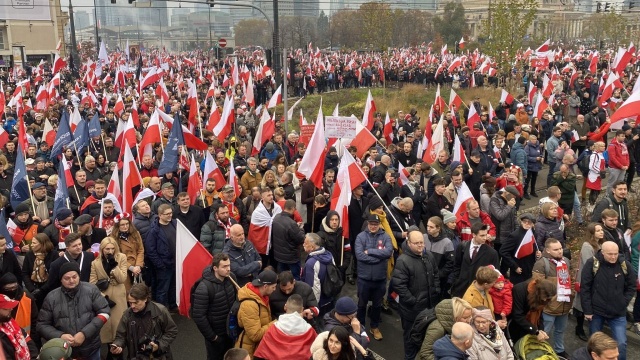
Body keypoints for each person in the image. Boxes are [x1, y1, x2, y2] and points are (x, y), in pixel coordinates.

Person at [37, 262, 110, 360]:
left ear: (79, 276)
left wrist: (84, 333)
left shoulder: (91, 290)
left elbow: (104, 313)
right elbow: (42, 325)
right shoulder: (51, 297)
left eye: (74, 277)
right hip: (64, 352)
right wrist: (60, 335)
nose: (71, 281)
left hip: (91, 348)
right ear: (61, 280)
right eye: (66, 278)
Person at [580, 241, 636, 360]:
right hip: (596, 312)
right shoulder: (592, 263)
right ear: (602, 252)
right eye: (610, 254)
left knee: (621, 343)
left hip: (617, 312)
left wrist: (623, 302)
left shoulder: (624, 264)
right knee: (595, 344)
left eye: (616, 254)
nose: (613, 257)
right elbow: (585, 288)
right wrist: (587, 310)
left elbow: (632, 286)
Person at [392, 229, 440, 360]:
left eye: (422, 242)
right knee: (410, 339)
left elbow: (435, 273)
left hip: (429, 307)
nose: (420, 245)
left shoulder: (428, 256)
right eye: (417, 243)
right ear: (409, 243)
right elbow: (399, 285)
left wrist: (436, 290)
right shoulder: (403, 261)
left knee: (425, 337)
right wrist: (413, 301)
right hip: (412, 311)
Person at [110, 284, 178, 360]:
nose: (132, 306)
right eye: (130, 303)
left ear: (145, 299)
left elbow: (172, 331)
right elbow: (121, 336)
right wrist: (117, 345)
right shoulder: (127, 314)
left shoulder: (160, 311)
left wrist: (159, 345)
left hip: (158, 356)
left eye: (136, 303)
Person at [531, 238, 573, 359]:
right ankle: (540, 351)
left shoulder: (566, 261)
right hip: (549, 307)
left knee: (561, 331)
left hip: (564, 305)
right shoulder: (541, 264)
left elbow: (569, 280)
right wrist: (546, 303)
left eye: (560, 248)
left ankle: (559, 350)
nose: (560, 251)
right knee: (545, 333)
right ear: (548, 250)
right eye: (556, 249)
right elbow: (537, 287)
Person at [354, 214, 393, 341]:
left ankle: (374, 326)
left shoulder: (386, 236)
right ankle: (360, 327)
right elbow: (359, 255)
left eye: (375, 224)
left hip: (380, 279)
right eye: (371, 224)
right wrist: (379, 259)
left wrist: (370, 251)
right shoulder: (360, 237)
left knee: (377, 305)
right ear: (368, 224)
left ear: (379, 225)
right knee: (361, 304)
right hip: (364, 278)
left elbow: (388, 252)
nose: (373, 226)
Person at [191, 253, 238, 360]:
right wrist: (213, 337)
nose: (228, 269)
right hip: (217, 335)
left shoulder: (231, 278)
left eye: (229, 265)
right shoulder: (204, 288)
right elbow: (199, 316)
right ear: (215, 268)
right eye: (224, 267)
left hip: (231, 331)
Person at [88, 237, 128, 357]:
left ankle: (119, 350)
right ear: (102, 249)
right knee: (106, 327)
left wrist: (114, 266)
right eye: (107, 249)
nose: (110, 251)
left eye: (112, 248)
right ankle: (110, 351)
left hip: (119, 297)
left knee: (118, 325)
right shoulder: (95, 263)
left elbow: (122, 279)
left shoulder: (121, 258)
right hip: (104, 298)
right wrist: (103, 297)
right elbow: (92, 283)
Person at [253, 294, 317, 359]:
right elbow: (319, 345)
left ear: (285, 307)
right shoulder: (309, 330)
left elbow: (262, 353)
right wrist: (311, 321)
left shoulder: (273, 328)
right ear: (302, 309)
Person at [36, 233, 93, 302]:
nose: (79, 247)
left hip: (87, 297)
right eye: (74, 246)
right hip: (65, 299)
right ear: (67, 248)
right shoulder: (56, 264)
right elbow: (52, 286)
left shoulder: (90, 257)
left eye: (80, 244)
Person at [235, 269, 277, 357]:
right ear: (265, 286)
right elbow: (255, 335)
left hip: (258, 346)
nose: (275, 289)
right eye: (273, 287)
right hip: (249, 350)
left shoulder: (262, 297)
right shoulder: (250, 305)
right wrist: (275, 323)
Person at [450, 223, 500, 298]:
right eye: (482, 235)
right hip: (461, 289)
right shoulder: (462, 246)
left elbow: (495, 274)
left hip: (479, 291)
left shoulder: (492, 253)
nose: (485, 238)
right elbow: (457, 265)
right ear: (474, 235)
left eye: (486, 235)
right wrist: (457, 281)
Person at [144, 204, 177, 309]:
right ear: (160, 215)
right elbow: (150, 250)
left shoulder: (175, 223)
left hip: (175, 263)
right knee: (162, 289)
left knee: (173, 287)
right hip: (164, 266)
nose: (169, 215)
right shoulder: (154, 231)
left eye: (170, 213)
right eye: (167, 214)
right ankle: (161, 310)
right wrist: (160, 265)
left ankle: (172, 305)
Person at [509, 277, 555, 345]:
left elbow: (540, 315)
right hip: (516, 328)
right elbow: (517, 315)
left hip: (529, 327)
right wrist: (535, 331)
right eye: (545, 297)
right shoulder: (520, 290)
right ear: (539, 291)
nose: (545, 300)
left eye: (548, 298)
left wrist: (541, 330)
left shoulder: (541, 296)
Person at [499, 213, 541, 285]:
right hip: (519, 269)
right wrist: (514, 266)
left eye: (529, 222)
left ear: (533, 224)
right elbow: (503, 251)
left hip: (531, 267)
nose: (527, 223)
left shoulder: (533, 233)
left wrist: (538, 253)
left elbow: (535, 247)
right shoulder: (515, 235)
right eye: (524, 221)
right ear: (521, 222)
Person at [302, 233, 335, 315]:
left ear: (312, 247)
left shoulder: (311, 264)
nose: (303, 244)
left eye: (305, 243)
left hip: (319, 303)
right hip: (330, 297)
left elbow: (313, 287)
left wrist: (313, 308)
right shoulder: (329, 255)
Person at [110, 213, 144, 292]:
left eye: (127, 224)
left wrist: (138, 266)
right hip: (123, 268)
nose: (125, 227)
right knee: (127, 292)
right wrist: (131, 268)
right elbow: (116, 256)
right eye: (122, 225)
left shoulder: (135, 234)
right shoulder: (113, 238)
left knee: (138, 292)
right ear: (118, 226)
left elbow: (140, 250)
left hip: (136, 267)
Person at [272, 199, 306, 278]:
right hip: (291, 257)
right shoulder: (291, 223)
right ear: (293, 208)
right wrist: (301, 228)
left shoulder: (276, 218)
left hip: (279, 256)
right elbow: (300, 238)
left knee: (282, 278)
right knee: (295, 278)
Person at [0, 294, 39, 359]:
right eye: (6, 308)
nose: (11, 309)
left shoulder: (11, 323)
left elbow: (27, 339)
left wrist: (33, 357)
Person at [607, 130, 629, 194]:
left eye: (624, 136)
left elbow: (627, 155)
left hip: (623, 167)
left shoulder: (623, 145)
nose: (624, 137)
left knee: (620, 183)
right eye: (622, 136)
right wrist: (621, 166)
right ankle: (608, 196)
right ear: (617, 136)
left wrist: (627, 165)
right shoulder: (612, 145)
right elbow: (612, 158)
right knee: (612, 183)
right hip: (615, 168)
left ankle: (617, 195)